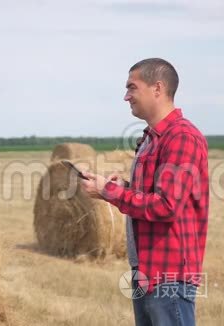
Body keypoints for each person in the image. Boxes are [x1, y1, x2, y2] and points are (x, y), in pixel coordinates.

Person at [80, 58, 209, 326]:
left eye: (132, 87)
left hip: (168, 274)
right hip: (146, 272)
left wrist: (111, 192)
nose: (126, 96)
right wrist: (116, 188)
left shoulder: (181, 136)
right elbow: (153, 194)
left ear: (157, 88)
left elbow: (166, 205)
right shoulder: (151, 139)